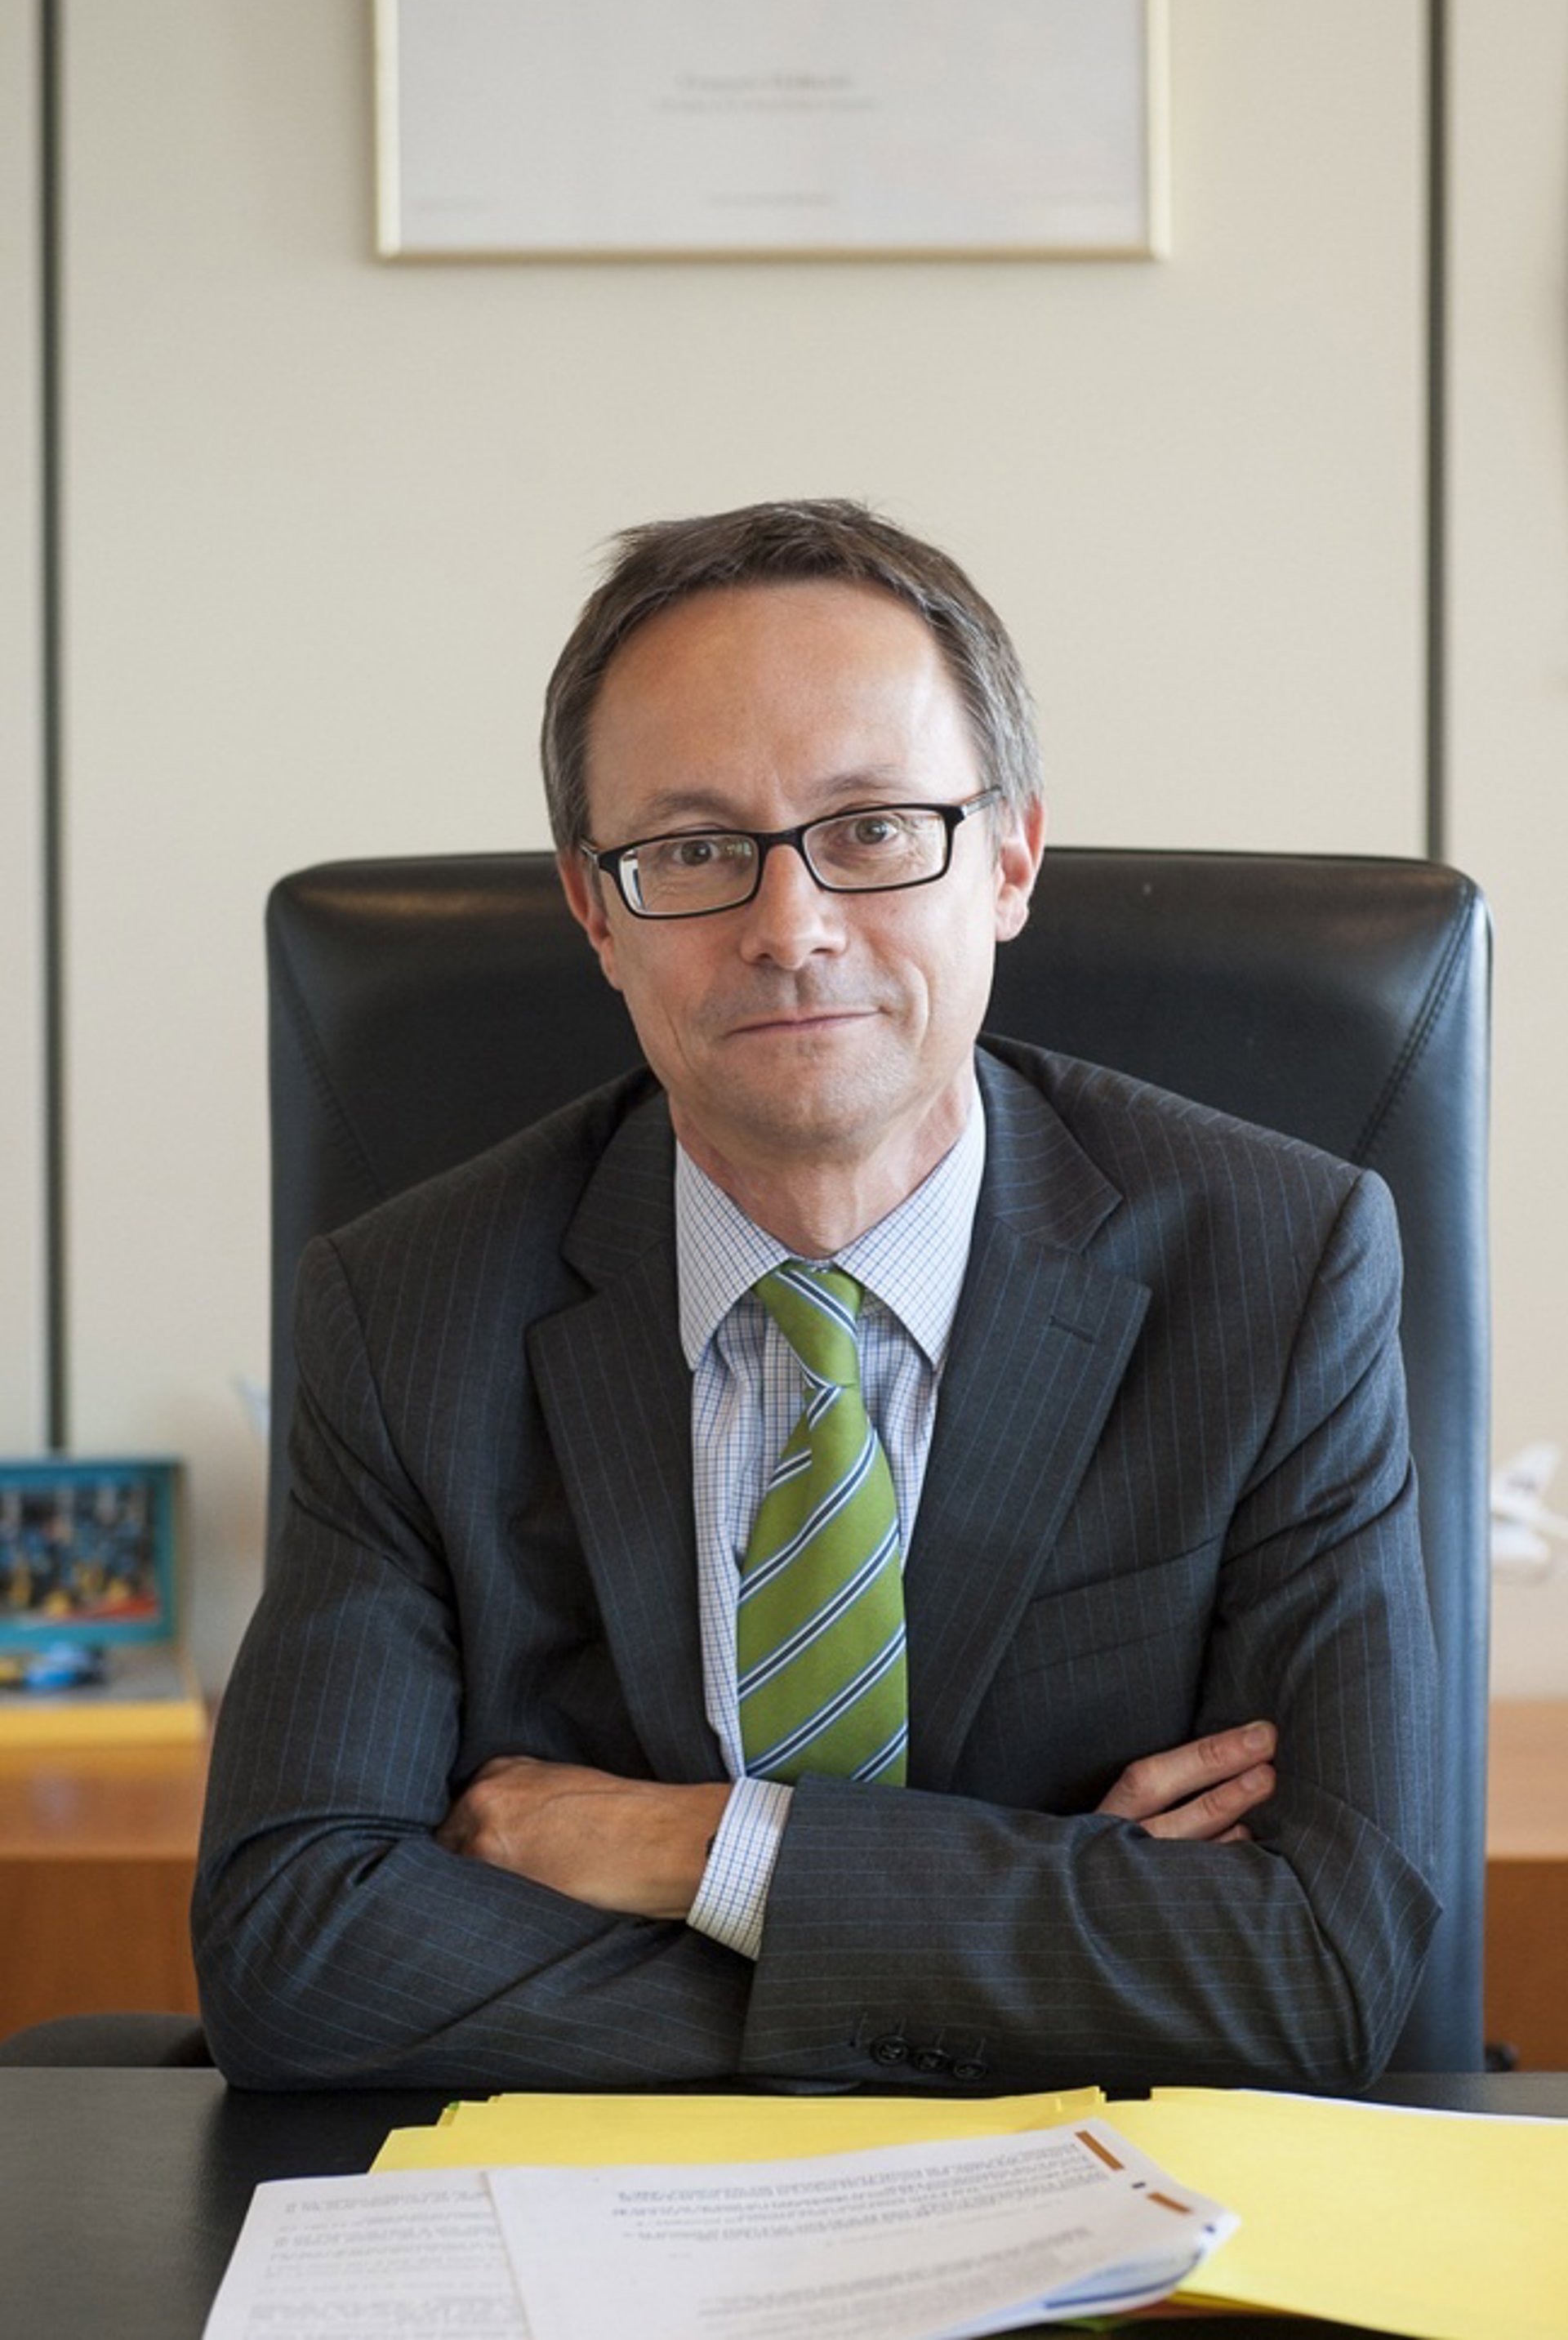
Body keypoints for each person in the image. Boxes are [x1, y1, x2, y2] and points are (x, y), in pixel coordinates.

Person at [193, 499, 1439, 2096]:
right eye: (693, 850)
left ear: (1012, 854)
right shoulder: (403, 1309)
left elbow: (1323, 1964)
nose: (789, 930)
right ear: (595, 909)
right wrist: (1049, 1943)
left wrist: (702, 1851)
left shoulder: (1279, 1265)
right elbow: (297, 1955)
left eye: (871, 829)